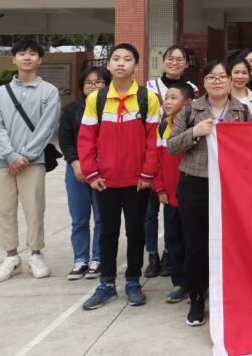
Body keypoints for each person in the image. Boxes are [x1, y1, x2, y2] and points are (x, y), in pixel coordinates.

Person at [168, 59, 252, 326]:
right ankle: (196, 299)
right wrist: (194, 132)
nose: (217, 81)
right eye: (211, 77)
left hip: (230, 187)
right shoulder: (190, 110)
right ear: (204, 82)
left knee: (229, 243)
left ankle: (227, 297)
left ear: (230, 81)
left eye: (222, 77)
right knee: (195, 245)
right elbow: (171, 145)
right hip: (195, 183)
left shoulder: (242, 111)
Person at [79, 43, 161, 310]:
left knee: (136, 232)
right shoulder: (97, 99)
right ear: (109, 64)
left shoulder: (148, 98)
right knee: (107, 232)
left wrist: (148, 173)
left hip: (138, 181)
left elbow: (154, 139)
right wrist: (92, 173)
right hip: (106, 181)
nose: (121, 63)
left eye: (127, 59)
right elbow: (86, 139)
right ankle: (106, 283)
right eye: (116, 58)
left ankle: (133, 281)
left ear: (136, 66)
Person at [0, 39, 61, 283]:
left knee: (34, 209)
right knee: (3, 210)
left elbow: (46, 127)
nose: (27, 57)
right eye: (21, 53)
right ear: (14, 59)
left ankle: (36, 254)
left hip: (33, 162)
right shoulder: (0, 93)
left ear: (40, 59)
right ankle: (11, 257)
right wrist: (10, 155)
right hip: (4, 162)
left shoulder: (49, 91)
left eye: (32, 54)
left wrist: (26, 156)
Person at [144, 45, 197, 279]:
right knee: (150, 211)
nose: (175, 62)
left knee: (175, 216)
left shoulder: (192, 89)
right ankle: (152, 255)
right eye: (170, 58)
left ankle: (170, 256)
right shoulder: (149, 87)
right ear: (163, 61)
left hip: (178, 154)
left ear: (186, 63)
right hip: (156, 148)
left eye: (180, 59)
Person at [58, 66, 109, 281]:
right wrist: (75, 163)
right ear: (82, 86)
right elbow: (65, 140)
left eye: (98, 82)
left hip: (104, 170)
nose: (93, 86)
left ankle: (98, 258)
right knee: (79, 218)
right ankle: (80, 259)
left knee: (102, 218)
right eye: (89, 82)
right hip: (77, 170)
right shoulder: (72, 110)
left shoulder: (112, 109)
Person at [153, 82, 194, 303]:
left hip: (192, 195)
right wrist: (159, 187)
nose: (167, 102)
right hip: (170, 196)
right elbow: (158, 161)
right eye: (166, 98)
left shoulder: (195, 126)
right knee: (173, 240)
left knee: (192, 241)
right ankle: (179, 283)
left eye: (173, 98)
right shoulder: (162, 127)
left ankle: (196, 282)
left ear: (188, 103)